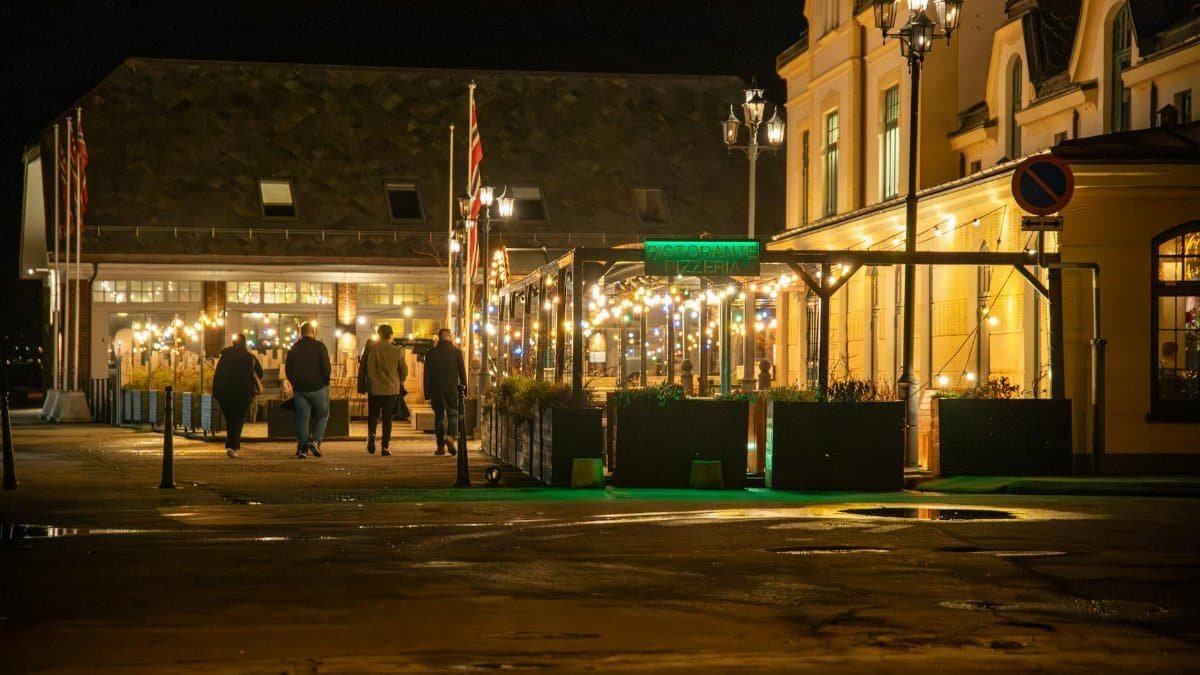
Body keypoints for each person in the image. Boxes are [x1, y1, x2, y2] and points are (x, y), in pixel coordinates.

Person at [211, 333, 263, 459]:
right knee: (238, 419)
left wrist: (216, 392)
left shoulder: (225, 356)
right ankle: (232, 446)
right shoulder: (250, 357)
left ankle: (231, 445)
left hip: (225, 393)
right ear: (244, 343)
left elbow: (218, 374)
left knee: (230, 419)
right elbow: (260, 373)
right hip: (243, 394)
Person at [359, 324, 407, 456]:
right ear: (391, 335)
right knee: (387, 419)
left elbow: (368, 369)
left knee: (373, 415)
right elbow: (404, 371)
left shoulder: (372, 350)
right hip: (392, 390)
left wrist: (370, 383)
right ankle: (385, 446)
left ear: (379, 335)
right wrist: (399, 380)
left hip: (374, 389)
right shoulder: (397, 351)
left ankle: (372, 435)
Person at [285, 321, 331, 459]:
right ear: (314, 332)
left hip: (300, 389)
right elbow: (326, 368)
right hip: (318, 387)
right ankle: (315, 440)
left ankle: (302, 449)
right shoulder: (320, 346)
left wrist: (294, 382)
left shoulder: (294, 347)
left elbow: (288, 369)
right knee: (323, 414)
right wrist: (326, 382)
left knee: (302, 418)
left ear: (300, 332)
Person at [423, 328, 466, 456]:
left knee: (439, 417)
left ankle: (440, 447)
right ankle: (451, 437)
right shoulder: (457, 352)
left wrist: (427, 392)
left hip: (436, 390)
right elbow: (462, 373)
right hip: (452, 390)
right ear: (449, 337)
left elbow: (427, 375)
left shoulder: (430, 353)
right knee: (453, 414)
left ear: (439, 338)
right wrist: (465, 390)